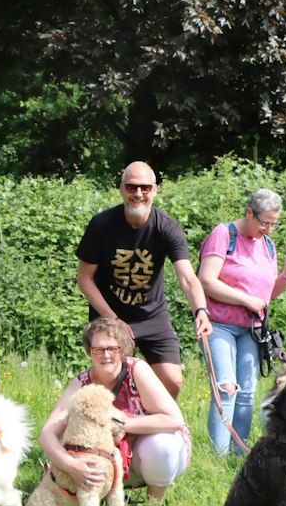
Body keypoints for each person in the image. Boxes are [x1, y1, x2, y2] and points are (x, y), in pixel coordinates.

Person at [75, 162, 212, 396]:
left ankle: (154, 426)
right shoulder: (102, 225)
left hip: (151, 314)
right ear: (121, 189)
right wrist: (113, 319)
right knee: (110, 382)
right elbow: (84, 278)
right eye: (131, 187)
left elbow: (188, 278)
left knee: (173, 380)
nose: (138, 194)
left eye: (145, 188)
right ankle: (112, 427)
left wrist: (201, 310)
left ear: (155, 190)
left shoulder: (167, 228)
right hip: (109, 314)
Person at [39, 317, 190, 506]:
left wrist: (123, 424)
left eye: (113, 349)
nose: (106, 355)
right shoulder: (81, 384)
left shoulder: (137, 370)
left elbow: (175, 419)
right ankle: (102, 499)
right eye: (99, 349)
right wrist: (71, 465)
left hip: (154, 456)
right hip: (106, 463)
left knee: (161, 445)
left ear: (123, 350)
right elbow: (46, 435)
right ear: (89, 352)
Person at [197, 190, 286, 454]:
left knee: (246, 392)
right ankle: (217, 457)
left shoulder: (267, 244)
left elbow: (266, 297)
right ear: (248, 213)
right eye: (263, 222)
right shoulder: (223, 235)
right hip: (218, 324)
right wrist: (245, 300)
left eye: (273, 224)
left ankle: (239, 452)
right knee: (227, 388)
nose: (267, 229)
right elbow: (206, 281)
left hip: (252, 330)